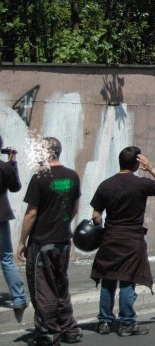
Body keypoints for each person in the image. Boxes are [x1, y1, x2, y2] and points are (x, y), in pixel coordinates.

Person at [90, 146, 155, 337]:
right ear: (138, 163)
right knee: (128, 280)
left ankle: (104, 321)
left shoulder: (106, 185)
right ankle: (127, 323)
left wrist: (99, 226)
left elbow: (96, 214)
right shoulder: (142, 184)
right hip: (132, 240)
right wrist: (151, 168)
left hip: (110, 239)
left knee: (108, 280)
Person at [16, 137, 82, 345]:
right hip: (62, 240)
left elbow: (31, 213)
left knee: (42, 288)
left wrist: (21, 242)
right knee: (60, 285)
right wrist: (62, 225)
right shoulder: (72, 176)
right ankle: (69, 329)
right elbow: (74, 208)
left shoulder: (40, 178)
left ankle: (48, 331)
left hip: (42, 241)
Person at [0, 134, 28, 312]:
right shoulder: (4, 167)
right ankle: (18, 297)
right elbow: (15, 187)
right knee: (6, 259)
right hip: (0, 217)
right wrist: (12, 162)